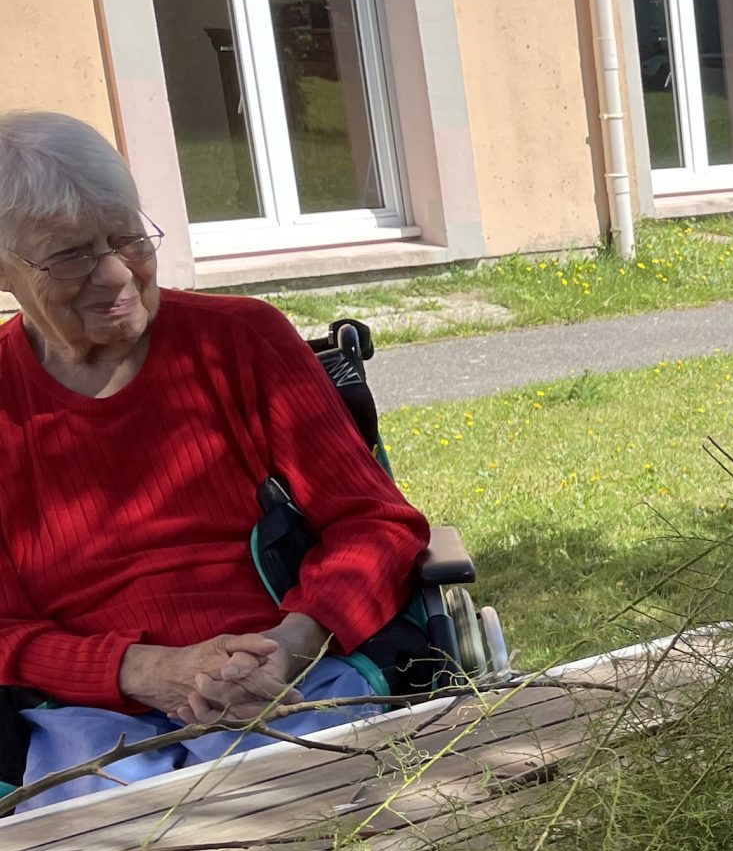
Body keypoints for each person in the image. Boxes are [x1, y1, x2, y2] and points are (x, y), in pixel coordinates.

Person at [0, 111, 430, 809]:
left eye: (128, 236)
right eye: (72, 255)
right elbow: (5, 631)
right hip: (90, 720)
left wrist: (289, 644)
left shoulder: (242, 341)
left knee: (326, 818)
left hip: (292, 681)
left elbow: (376, 525)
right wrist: (150, 671)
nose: (117, 273)